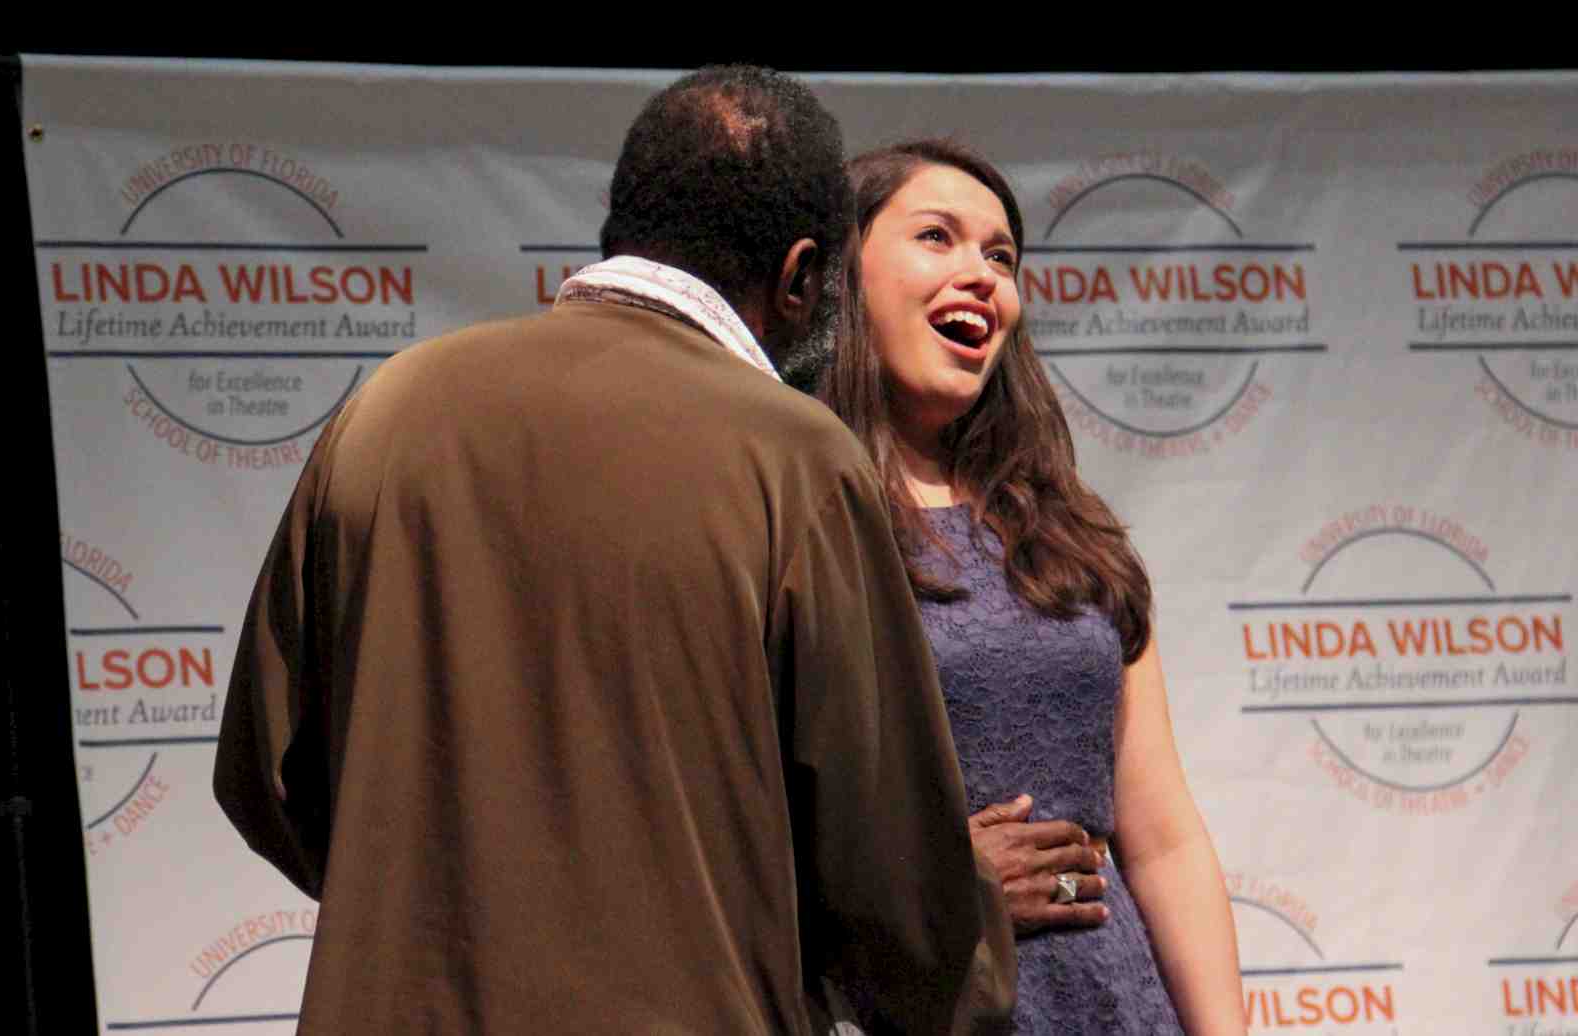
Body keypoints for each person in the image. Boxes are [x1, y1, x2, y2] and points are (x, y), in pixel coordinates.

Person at [213, 71, 1015, 1035]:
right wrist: (977, 936)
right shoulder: (793, 456)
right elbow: (894, 891)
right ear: (805, 275)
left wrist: (435, 914)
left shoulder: (391, 406)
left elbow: (264, 771)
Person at [819, 138, 1245, 1035]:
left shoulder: (1064, 528)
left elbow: (1162, 837)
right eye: (937, 237)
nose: (981, 275)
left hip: (1114, 1001)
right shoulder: (803, 519)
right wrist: (940, 884)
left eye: (1002, 257)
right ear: (841, 273)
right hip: (924, 1003)